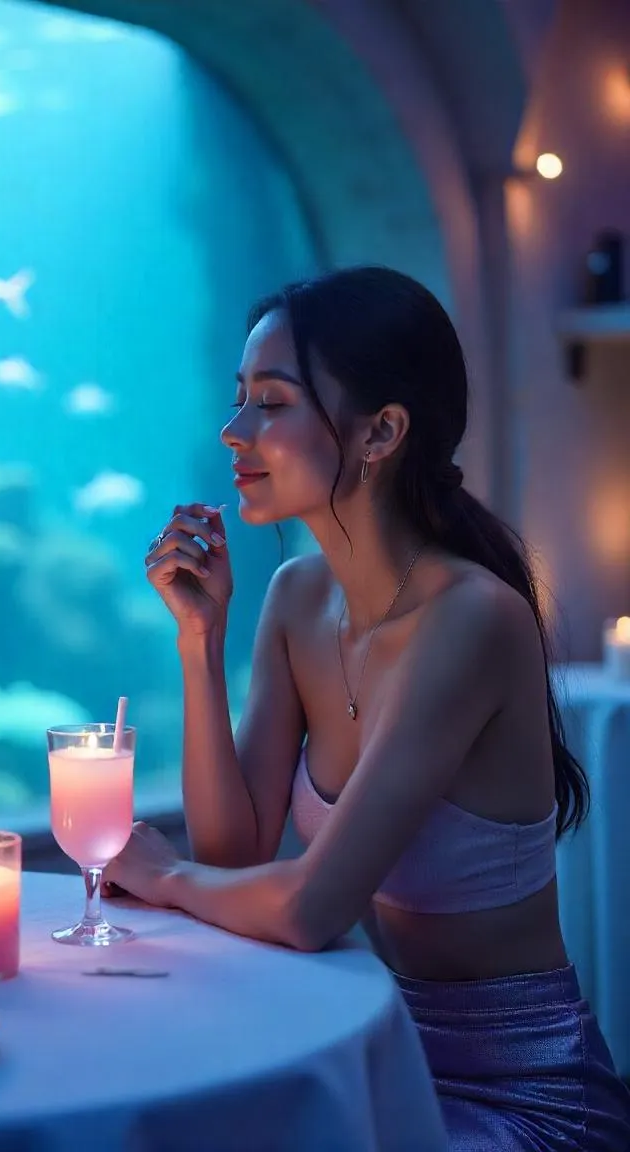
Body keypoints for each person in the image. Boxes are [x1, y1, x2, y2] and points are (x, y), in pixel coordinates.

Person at [104, 266, 630, 1149]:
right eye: (240, 399)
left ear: (381, 431)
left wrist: (159, 875)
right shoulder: (297, 597)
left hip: (525, 1100)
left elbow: (307, 908)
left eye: (272, 402)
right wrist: (200, 641)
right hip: (378, 1062)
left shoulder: (473, 619)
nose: (234, 430)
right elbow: (235, 855)